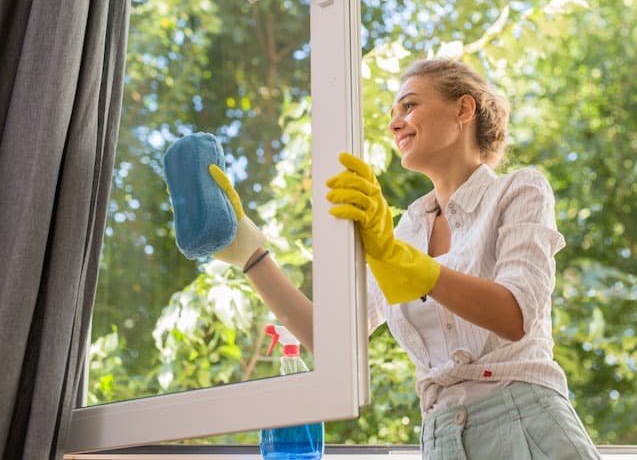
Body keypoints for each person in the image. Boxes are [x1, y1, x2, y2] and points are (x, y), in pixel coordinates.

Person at [203, 58, 601, 459]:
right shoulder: (405, 233)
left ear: (463, 109)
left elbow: (514, 315)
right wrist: (252, 256)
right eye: (393, 113)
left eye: (409, 106)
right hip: (438, 439)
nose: (395, 124)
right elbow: (332, 341)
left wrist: (401, 261)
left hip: (525, 425)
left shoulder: (518, 191)